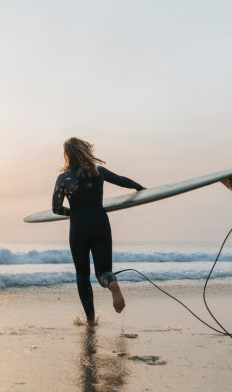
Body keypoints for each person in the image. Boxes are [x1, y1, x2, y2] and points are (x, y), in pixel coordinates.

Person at [51, 137, 145, 326]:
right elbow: (122, 181)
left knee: (82, 275)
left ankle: (91, 320)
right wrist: (139, 188)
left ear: (67, 155)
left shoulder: (64, 179)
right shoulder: (98, 172)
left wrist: (73, 213)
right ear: (86, 151)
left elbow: (56, 208)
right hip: (100, 223)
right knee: (103, 271)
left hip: (78, 227)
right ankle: (111, 284)